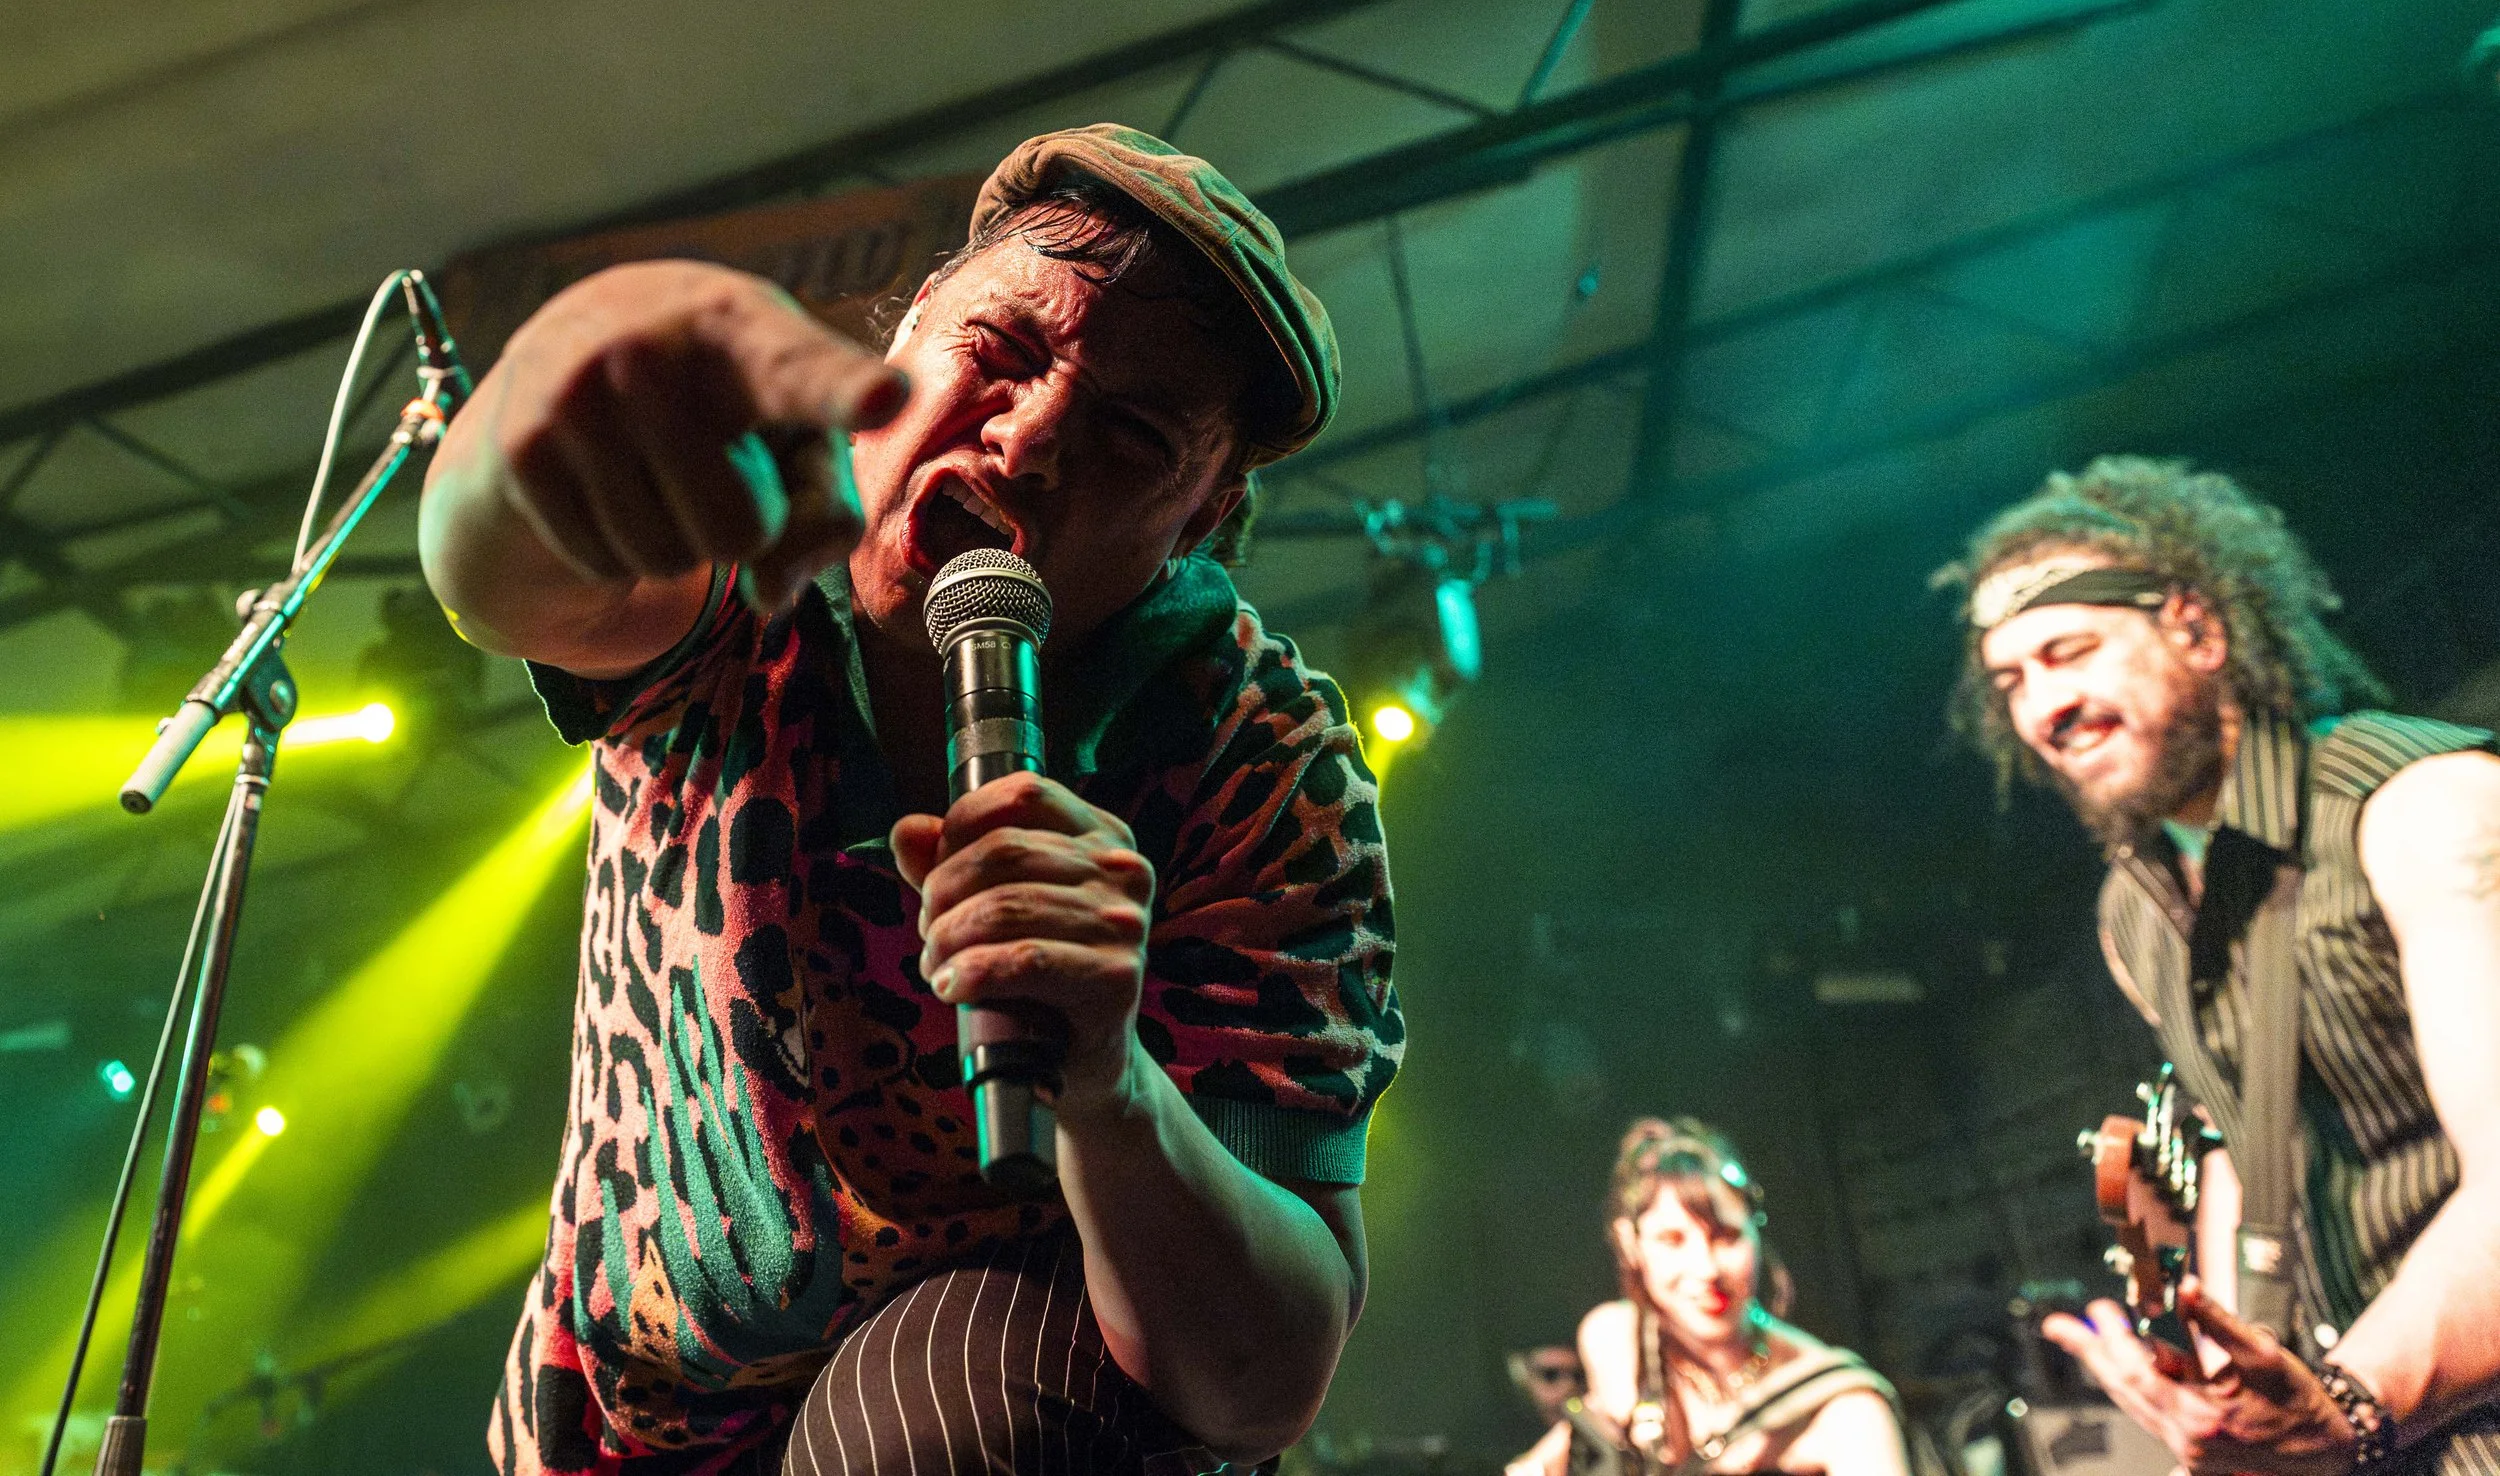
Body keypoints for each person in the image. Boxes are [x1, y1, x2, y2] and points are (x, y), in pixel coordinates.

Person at [418, 124, 1403, 1475]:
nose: (1034, 436)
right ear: (909, 328)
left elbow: (1257, 1380)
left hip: (996, 1406)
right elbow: (497, 573)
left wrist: (1109, 1084)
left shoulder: (1257, 757)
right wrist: (563, 377)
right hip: (627, 1422)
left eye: (1133, 436)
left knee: (959, 1411)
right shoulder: (760, 545)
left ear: (1202, 512)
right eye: (1002, 350)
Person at [1941, 456, 2500, 1474]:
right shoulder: (2135, 913)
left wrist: (2345, 1401)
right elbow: (2247, 1150)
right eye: (2013, 682)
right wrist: (2232, 1388)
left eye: (2070, 652)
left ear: (2197, 630)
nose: (2043, 708)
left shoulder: (2421, 810)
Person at [1504, 1119, 1913, 1476]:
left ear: (1756, 1233)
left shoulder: (1844, 1405)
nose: (1706, 1269)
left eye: (1726, 1236)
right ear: (1630, 1244)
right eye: (1672, 1239)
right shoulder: (1621, 1341)